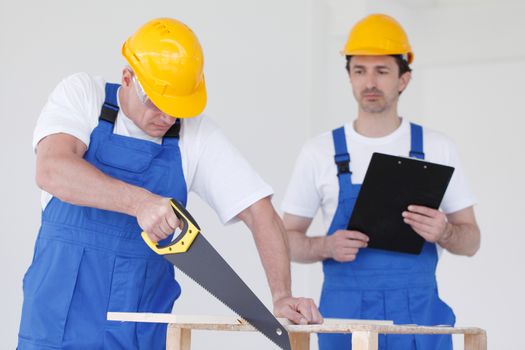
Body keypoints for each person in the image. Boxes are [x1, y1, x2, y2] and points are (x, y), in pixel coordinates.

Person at [18, 17, 322, 349]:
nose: (168, 118)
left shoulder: (196, 136)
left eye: (178, 109)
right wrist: (140, 203)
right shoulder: (83, 96)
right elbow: (51, 169)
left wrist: (281, 296)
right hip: (57, 318)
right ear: (128, 78)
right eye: (159, 105)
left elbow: (260, 212)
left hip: (139, 325)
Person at [281, 13, 480, 350]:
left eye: (382, 70)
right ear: (349, 77)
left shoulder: (437, 148)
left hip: (419, 319)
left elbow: (471, 240)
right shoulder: (320, 152)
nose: (369, 82)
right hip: (345, 321)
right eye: (359, 70)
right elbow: (285, 240)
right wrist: (324, 246)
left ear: (404, 79)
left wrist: (445, 232)